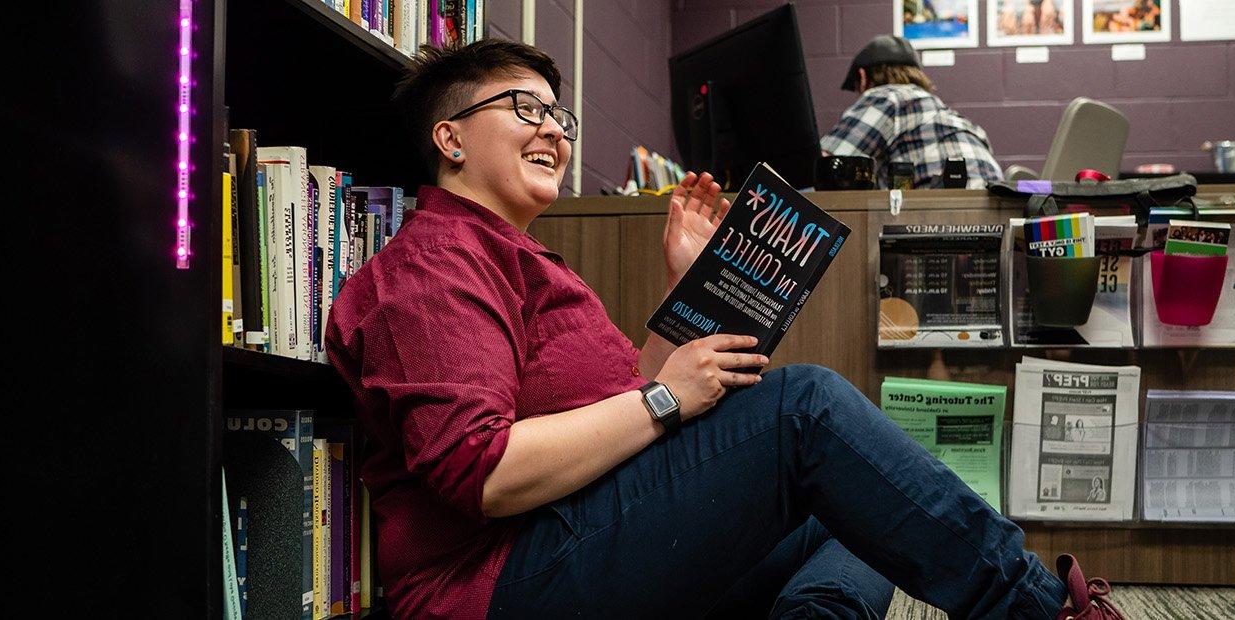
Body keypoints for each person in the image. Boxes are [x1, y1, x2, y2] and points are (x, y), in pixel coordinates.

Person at [327, 39, 1121, 619]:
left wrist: (686, 286)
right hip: (497, 584)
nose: (556, 130)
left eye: (559, 115)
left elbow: (617, 400)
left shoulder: (520, 256)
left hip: (571, 531)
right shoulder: (433, 266)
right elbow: (486, 472)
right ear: (451, 138)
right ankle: (1039, 610)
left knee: (850, 508)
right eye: (524, 109)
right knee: (803, 408)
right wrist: (667, 402)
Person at [821, 35, 1003, 190]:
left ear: (862, 77)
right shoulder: (947, 115)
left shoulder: (886, 97)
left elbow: (824, 162)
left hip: (945, 215)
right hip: (998, 210)